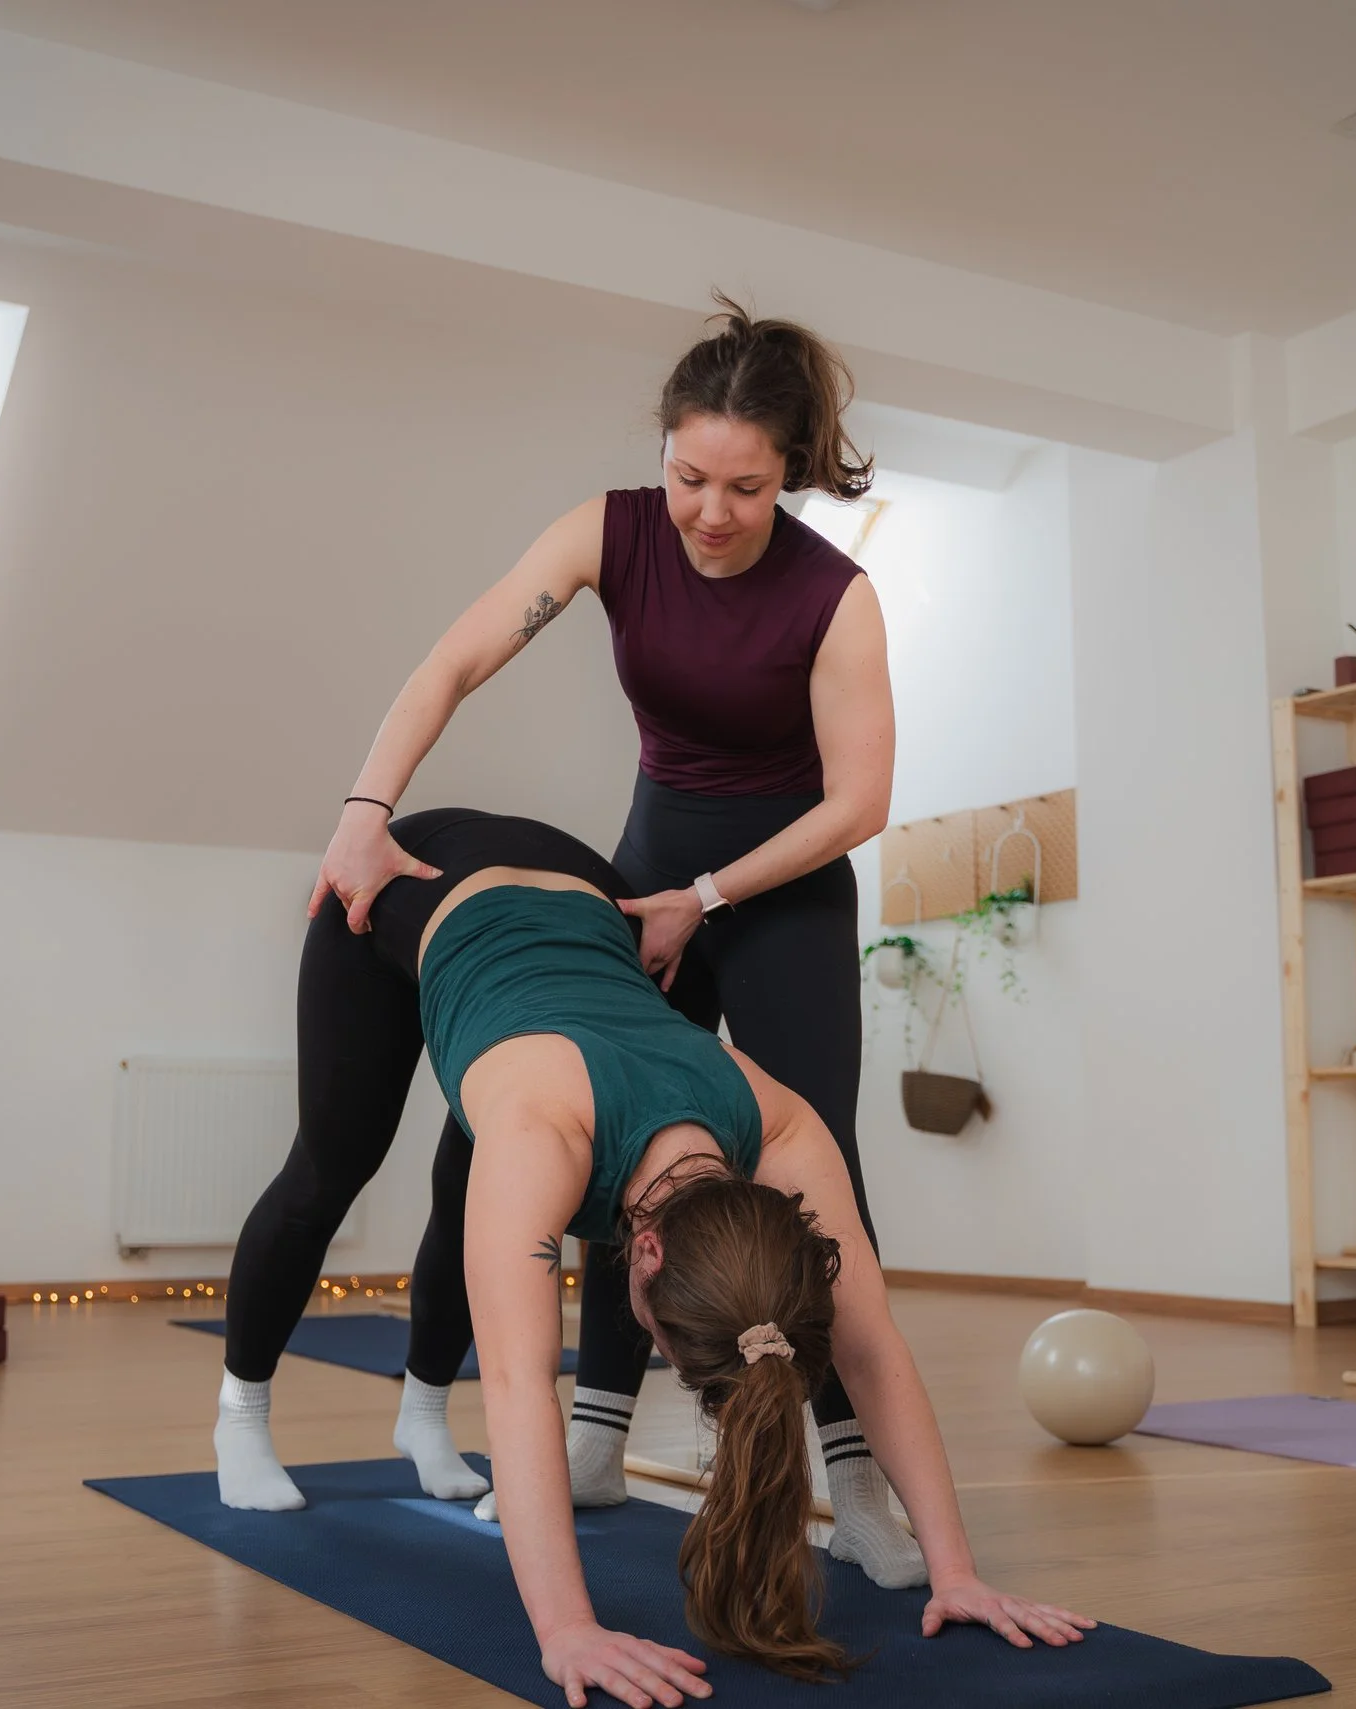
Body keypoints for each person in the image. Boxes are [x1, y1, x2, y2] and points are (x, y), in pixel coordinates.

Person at [310, 299, 920, 1586]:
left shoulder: (833, 594)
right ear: (663, 453)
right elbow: (456, 658)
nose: (709, 509)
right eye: (688, 475)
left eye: (745, 487)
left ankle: (856, 1483)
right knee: (622, 1144)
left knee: (821, 1176)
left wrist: (711, 892)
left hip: (781, 883)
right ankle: (593, 1440)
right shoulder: (608, 532)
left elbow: (856, 804)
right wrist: (365, 810)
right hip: (648, 876)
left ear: (793, 471)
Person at [227, 809, 1089, 1709]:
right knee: (329, 1168)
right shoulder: (539, 1135)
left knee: (461, 1203)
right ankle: (238, 1411)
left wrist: (957, 1571)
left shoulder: (783, 1129)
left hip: (578, 913)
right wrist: (566, 1629)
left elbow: (873, 1349)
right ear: (642, 1250)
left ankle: (419, 1415)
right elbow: (523, 1388)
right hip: (417, 877)